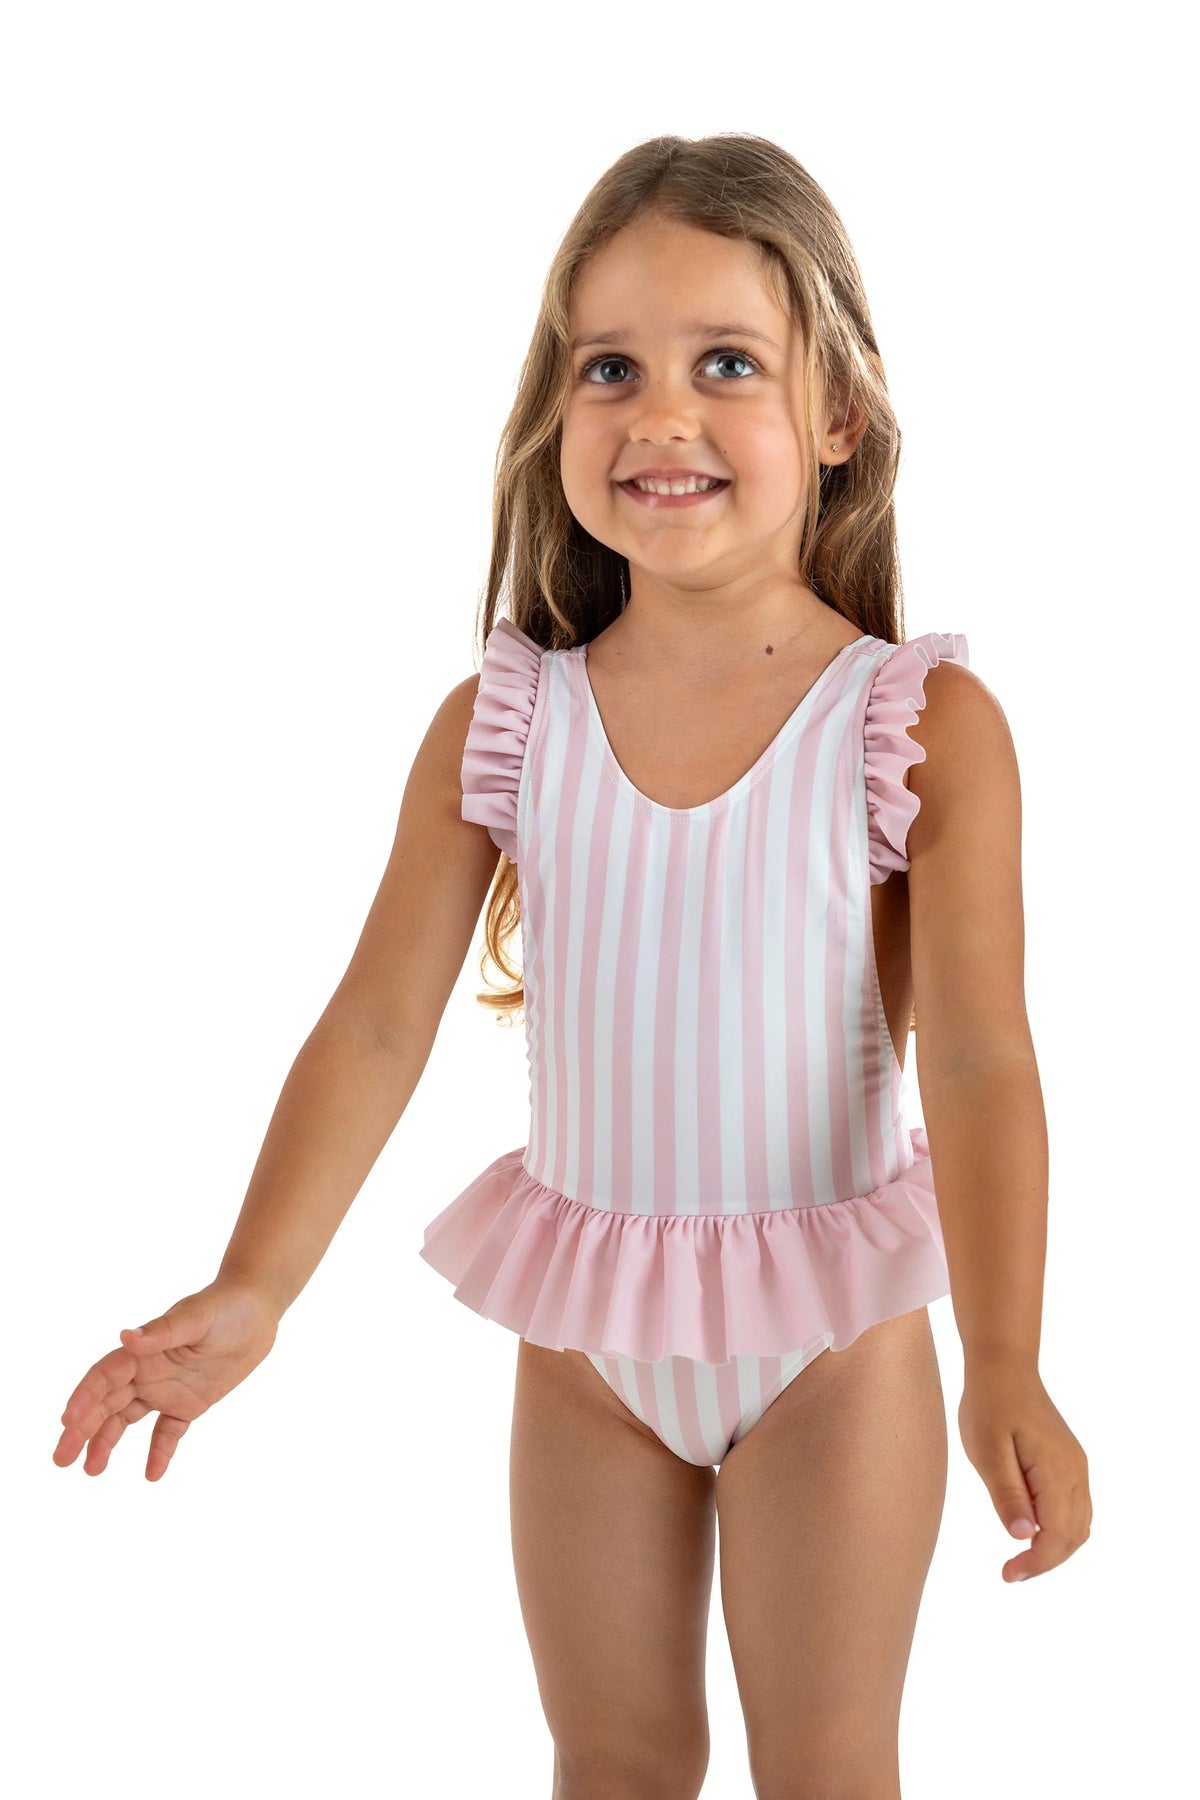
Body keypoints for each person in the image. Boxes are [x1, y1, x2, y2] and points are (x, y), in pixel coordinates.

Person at [54, 133, 1092, 1800]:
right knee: (609, 1761)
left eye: (726, 363)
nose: (660, 415)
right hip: (589, 1349)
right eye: (610, 367)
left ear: (840, 414)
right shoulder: (506, 723)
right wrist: (255, 1289)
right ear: (556, 412)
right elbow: (376, 1025)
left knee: (828, 1766)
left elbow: (981, 1062)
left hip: (832, 1353)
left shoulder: (914, 725)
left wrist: (1010, 1357)